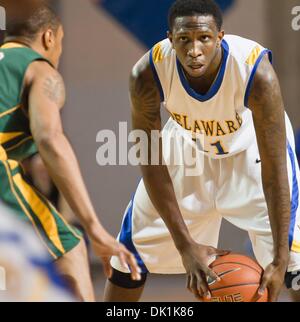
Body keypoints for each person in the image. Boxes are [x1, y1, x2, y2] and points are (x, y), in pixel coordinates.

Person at [104, 0, 300, 302]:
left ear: (220, 37)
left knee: (294, 268)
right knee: (129, 256)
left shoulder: (255, 72)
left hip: (250, 154)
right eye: (184, 40)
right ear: (171, 40)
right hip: (188, 148)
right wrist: (185, 247)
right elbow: (151, 160)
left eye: (204, 39)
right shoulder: (147, 73)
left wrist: (281, 254)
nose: (194, 50)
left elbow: (274, 169)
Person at [0, 0, 140, 302]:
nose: (59, 53)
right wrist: (96, 230)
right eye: (61, 43)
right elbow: (51, 138)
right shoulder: (40, 70)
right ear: (49, 38)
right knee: (70, 246)